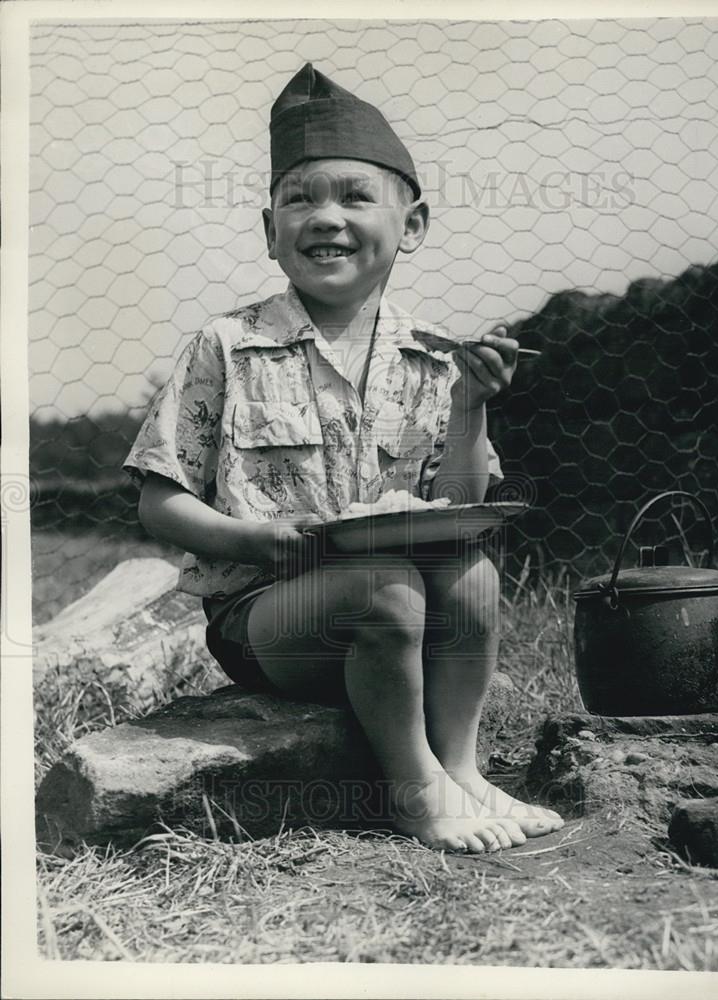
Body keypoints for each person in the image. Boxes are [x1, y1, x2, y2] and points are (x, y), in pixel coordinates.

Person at [125, 63, 563, 853]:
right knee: (386, 588)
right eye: (301, 198)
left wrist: (471, 405)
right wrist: (256, 540)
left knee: (471, 574)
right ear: (268, 229)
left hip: (404, 614)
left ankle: (460, 768)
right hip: (268, 619)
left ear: (414, 224)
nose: (325, 217)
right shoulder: (226, 345)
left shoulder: (433, 360)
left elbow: (457, 512)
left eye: (356, 196)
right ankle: (413, 787)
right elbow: (161, 503)